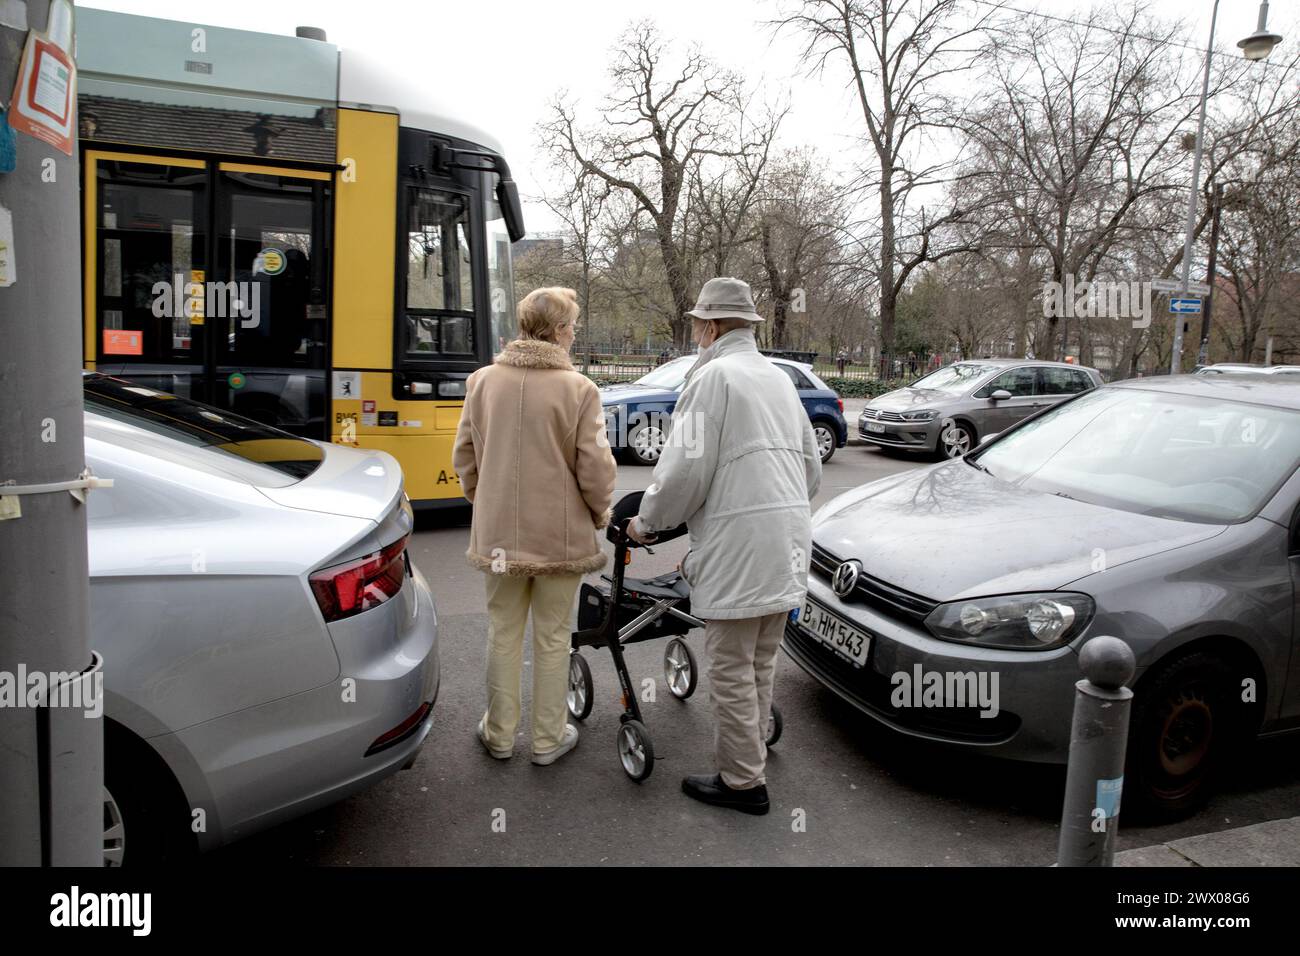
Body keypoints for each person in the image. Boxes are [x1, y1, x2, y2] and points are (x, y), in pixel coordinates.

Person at [628, 276, 822, 815]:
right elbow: (810, 468)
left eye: (697, 325)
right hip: (788, 540)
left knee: (732, 666)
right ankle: (751, 752)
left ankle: (742, 783)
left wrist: (647, 523)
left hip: (740, 546)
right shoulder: (779, 379)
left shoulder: (713, 378)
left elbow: (684, 470)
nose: (696, 334)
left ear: (710, 327)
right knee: (760, 661)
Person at [453, 287, 616, 766]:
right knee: (552, 636)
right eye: (572, 326)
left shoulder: (483, 381)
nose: (573, 334)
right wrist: (599, 510)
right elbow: (596, 469)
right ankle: (547, 740)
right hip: (560, 538)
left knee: (503, 631)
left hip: (499, 536)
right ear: (559, 330)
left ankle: (499, 735)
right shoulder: (579, 390)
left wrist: (486, 501)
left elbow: (465, 456)